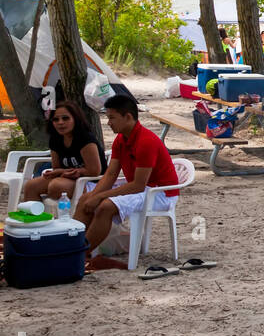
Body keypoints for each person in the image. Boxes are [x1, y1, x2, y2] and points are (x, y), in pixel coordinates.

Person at [74, 95, 179, 265]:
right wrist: (94, 195)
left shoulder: (146, 141)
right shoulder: (121, 139)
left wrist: (100, 197)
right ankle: (71, 246)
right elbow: (110, 175)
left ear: (128, 117)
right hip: (143, 188)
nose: (109, 123)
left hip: (161, 193)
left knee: (105, 206)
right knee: (86, 198)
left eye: (112, 118)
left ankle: (81, 253)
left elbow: (138, 185)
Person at [22, 100, 106, 203]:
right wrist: (60, 172)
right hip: (68, 178)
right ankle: (34, 217)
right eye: (56, 119)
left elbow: (94, 171)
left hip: (91, 182)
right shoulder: (55, 139)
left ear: (75, 119)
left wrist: (66, 172)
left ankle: (63, 215)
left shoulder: (85, 138)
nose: (60, 122)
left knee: (56, 186)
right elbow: (57, 167)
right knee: (31, 186)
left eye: (65, 118)